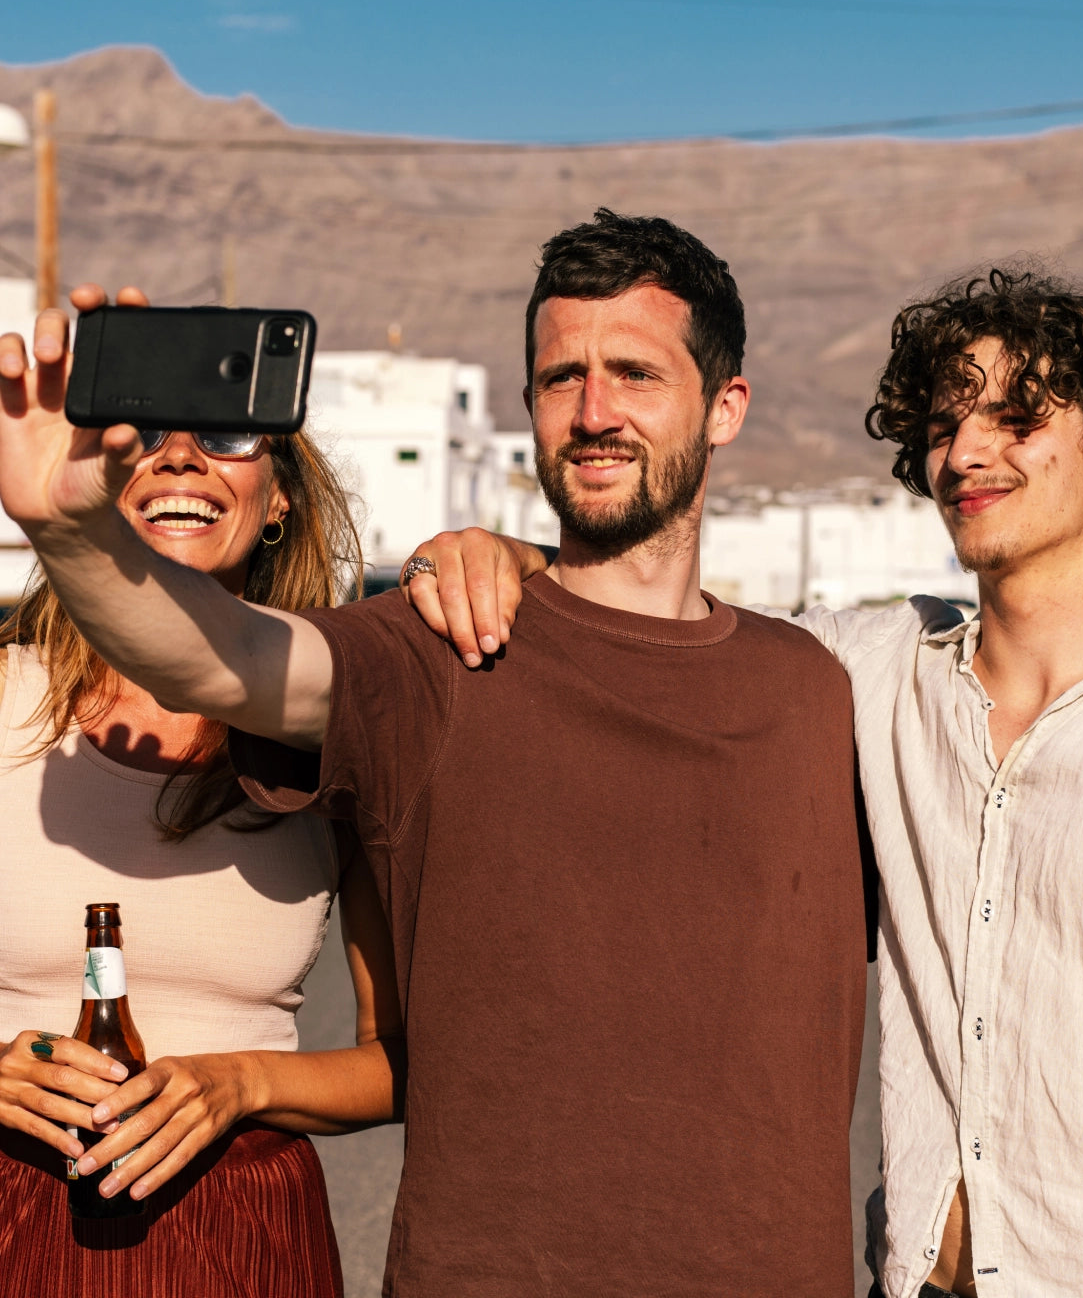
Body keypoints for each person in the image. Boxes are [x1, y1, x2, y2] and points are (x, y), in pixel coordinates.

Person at [0, 214, 871, 1297]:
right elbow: (221, 665)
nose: (594, 411)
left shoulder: (830, 685)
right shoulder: (426, 656)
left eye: (635, 373)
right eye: (562, 378)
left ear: (725, 405)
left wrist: (236, 1083)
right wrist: (66, 528)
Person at [410, 266, 1083, 1297]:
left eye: (1016, 417)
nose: (964, 452)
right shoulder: (862, 668)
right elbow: (661, 619)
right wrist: (487, 550)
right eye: (944, 421)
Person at [0, 287, 404, 1298]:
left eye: (226, 429)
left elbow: (402, 1057)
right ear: (96, 477)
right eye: (142, 426)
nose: (181, 454)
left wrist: (241, 1080)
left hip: (244, 1230)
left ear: (278, 501)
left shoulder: (337, 736)